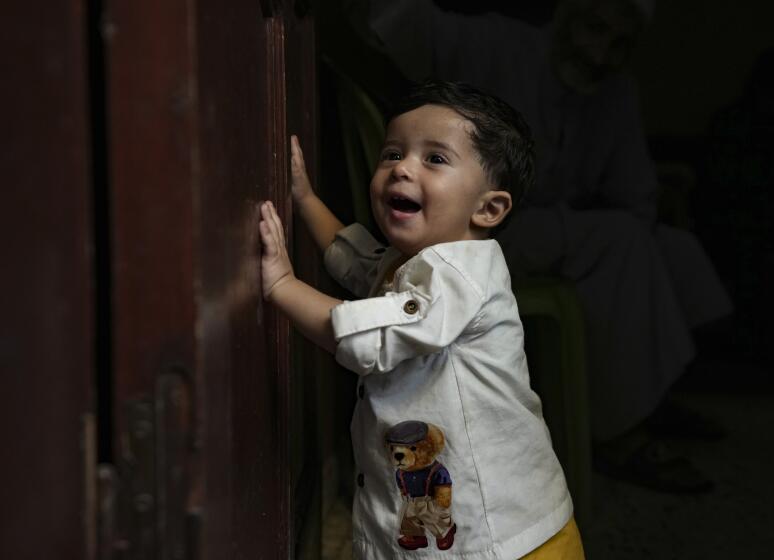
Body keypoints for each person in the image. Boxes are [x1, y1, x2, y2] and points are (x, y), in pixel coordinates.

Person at [363, 0, 733, 492]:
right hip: (482, 231)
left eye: (620, 43)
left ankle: (650, 395)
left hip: (558, 230)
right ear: (566, 15)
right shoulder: (499, 42)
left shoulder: (616, 91)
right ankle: (623, 431)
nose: (601, 53)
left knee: (671, 246)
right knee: (621, 241)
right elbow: (389, 23)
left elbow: (636, 192)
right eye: (594, 28)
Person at [259, 81, 585, 559]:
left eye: (435, 159)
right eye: (392, 153)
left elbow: (374, 334)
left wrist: (281, 287)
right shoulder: (410, 263)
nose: (402, 169)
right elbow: (354, 259)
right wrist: (305, 198)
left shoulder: (462, 275)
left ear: (488, 208)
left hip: (504, 538)